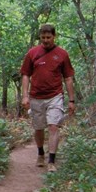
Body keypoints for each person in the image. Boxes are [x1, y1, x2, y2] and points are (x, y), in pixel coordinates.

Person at [20, 24, 75, 173]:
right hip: (36, 97)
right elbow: (25, 75)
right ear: (40, 37)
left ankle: (51, 160)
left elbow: (68, 78)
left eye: (48, 37)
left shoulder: (62, 54)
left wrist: (71, 100)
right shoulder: (32, 53)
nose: (46, 40)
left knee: (53, 126)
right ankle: (40, 153)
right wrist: (25, 96)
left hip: (55, 96)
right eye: (43, 37)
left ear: (54, 36)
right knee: (38, 128)